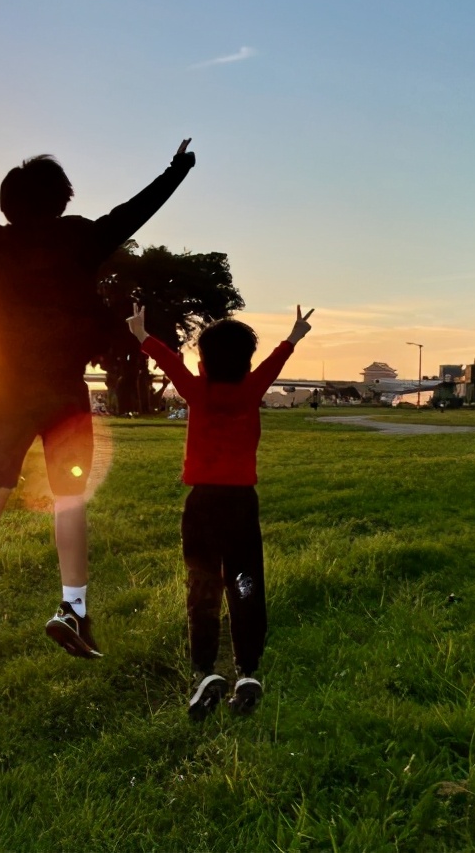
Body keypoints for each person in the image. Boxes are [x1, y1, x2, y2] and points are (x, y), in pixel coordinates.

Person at [0, 136, 196, 657]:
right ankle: (73, 608)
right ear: (63, 198)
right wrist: (176, 168)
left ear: (8, 204)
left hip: (12, 394)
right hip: (65, 395)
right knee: (68, 499)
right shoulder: (82, 240)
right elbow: (134, 211)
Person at [128, 303, 314, 719]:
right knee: (245, 584)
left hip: (202, 505)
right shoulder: (251, 390)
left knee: (204, 585)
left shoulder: (197, 391)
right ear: (246, 362)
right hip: (242, 504)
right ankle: (247, 670)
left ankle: (204, 672)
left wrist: (142, 334)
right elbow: (273, 364)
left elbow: (170, 363)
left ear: (204, 361)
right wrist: (295, 334)